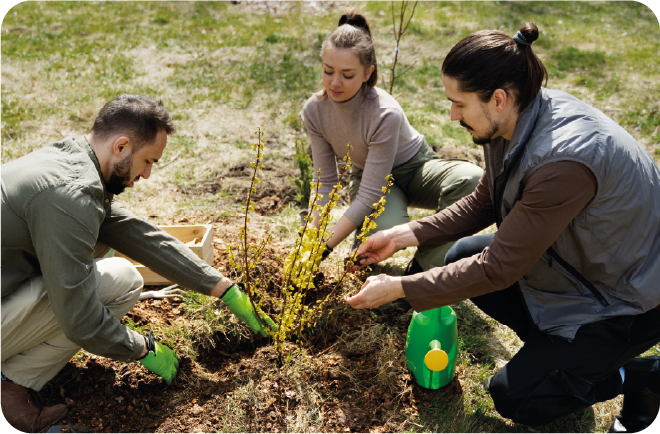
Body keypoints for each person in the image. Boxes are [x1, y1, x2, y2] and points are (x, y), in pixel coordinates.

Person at [345, 23, 660, 433]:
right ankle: (566, 363)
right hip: (578, 269)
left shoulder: (562, 162)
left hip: (627, 298)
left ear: (497, 98)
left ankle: (642, 375)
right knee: (462, 254)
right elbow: (485, 202)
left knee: (517, 396)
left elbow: (499, 268)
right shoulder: (513, 119)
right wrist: (403, 235)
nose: (452, 115)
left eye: (459, 104)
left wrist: (401, 287)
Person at [0, 94, 274, 434]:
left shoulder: (70, 159)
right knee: (102, 290)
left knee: (120, 276)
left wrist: (223, 288)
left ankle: (11, 378)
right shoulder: (70, 195)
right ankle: (10, 381)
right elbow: (80, 320)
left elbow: (137, 234)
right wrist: (144, 349)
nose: (146, 174)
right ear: (121, 146)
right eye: (148, 161)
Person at [302, 10, 483, 272]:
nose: (335, 82)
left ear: (368, 73)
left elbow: (369, 196)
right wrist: (309, 242)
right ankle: (363, 264)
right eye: (328, 71)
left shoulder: (385, 113)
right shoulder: (314, 111)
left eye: (348, 74)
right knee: (376, 240)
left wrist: (325, 247)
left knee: (471, 179)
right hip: (371, 177)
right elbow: (325, 183)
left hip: (415, 170)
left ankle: (422, 273)